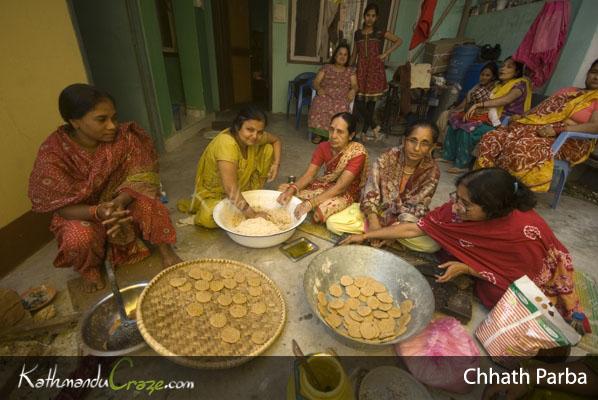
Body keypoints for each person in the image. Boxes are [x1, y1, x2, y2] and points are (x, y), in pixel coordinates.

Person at [340, 168, 580, 318]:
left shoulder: (522, 234)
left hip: (534, 275)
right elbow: (417, 227)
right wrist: (368, 235)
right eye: (457, 197)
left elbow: (526, 278)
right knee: (441, 250)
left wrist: (469, 269)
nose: (456, 207)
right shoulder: (457, 210)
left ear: (492, 210)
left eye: (466, 205)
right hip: (495, 263)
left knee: (497, 295)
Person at [28, 83, 181, 292]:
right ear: (75, 122)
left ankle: (166, 250)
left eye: (114, 118)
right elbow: (61, 206)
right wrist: (99, 211)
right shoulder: (53, 154)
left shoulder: (125, 139)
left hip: (121, 205)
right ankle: (90, 269)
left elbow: (143, 176)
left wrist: (118, 203)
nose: (112, 126)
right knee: (78, 237)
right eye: (102, 120)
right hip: (81, 214)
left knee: (149, 203)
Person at [476, 59, 598, 192]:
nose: (596, 77)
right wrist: (523, 116)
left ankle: (511, 191)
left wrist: (559, 129)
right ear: (588, 73)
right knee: (494, 137)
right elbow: (541, 109)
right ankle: (486, 181)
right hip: (538, 128)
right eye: (594, 72)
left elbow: (594, 126)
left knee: (523, 146)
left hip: (569, 140)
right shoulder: (569, 91)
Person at [327, 121, 440, 252]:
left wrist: (393, 233)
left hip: (404, 223)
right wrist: (374, 223)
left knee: (432, 245)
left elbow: (418, 207)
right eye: (412, 140)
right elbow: (371, 190)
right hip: (377, 212)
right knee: (333, 223)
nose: (416, 148)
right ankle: (381, 236)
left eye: (424, 143)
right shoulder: (388, 156)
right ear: (404, 140)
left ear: (432, 147)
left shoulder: (433, 171)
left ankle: (380, 237)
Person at [178, 106, 282, 228]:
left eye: (259, 132)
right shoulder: (226, 144)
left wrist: (276, 164)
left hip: (238, 186)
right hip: (218, 192)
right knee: (210, 218)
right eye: (249, 130)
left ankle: (246, 196)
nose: (254, 136)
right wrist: (253, 215)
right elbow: (230, 188)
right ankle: (200, 211)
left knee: (268, 149)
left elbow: (276, 141)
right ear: (238, 127)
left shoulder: (255, 137)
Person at [442, 57, 531, 174]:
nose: (503, 69)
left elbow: (505, 100)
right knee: (456, 121)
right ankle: (449, 156)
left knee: (469, 129)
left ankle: (462, 164)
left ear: (517, 72)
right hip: (489, 118)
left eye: (509, 67)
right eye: (503, 66)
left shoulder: (520, 85)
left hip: (503, 124)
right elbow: (478, 90)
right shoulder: (499, 85)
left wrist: (479, 105)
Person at [277, 112, 368, 223]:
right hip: (327, 186)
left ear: (351, 135)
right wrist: (291, 190)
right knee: (283, 191)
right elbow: (309, 175)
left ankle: (323, 208)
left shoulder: (357, 153)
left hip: (347, 192)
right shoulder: (323, 147)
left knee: (319, 214)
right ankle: (313, 204)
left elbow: (341, 187)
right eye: (331, 129)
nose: (333, 136)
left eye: (340, 132)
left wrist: (311, 203)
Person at [351, 3, 402, 141]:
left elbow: (398, 41)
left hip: (374, 69)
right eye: (368, 15)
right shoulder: (357, 34)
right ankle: (374, 126)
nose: (370, 18)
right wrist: (349, 68)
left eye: (373, 16)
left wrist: (385, 54)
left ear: (376, 18)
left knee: (371, 102)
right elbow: (354, 54)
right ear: (364, 16)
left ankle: (364, 132)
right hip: (361, 69)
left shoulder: (379, 32)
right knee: (358, 101)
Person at [436, 62, 499, 147]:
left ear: (493, 77)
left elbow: (481, 107)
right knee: (445, 114)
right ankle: (440, 143)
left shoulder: (493, 89)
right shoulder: (477, 86)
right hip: (467, 110)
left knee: (453, 119)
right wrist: (455, 109)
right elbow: (465, 101)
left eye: (487, 75)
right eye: (482, 74)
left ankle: (445, 145)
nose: (483, 77)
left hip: (479, 115)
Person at [308, 44, 358, 144]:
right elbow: (316, 81)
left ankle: (335, 136)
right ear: (335, 56)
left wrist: (353, 90)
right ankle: (319, 134)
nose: (342, 57)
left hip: (342, 97)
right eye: (340, 54)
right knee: (319, 103)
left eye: (345, 55)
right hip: (325, 94)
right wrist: (319, 88)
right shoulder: (326, 67)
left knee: (341, 108)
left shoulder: (350, 71)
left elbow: (355, 85)